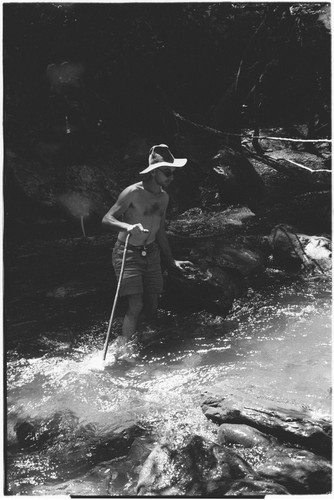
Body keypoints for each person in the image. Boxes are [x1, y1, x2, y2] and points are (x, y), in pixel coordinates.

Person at [102, 144, 192, 359]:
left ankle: (146, 337)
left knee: (153, 300)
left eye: (173, 173)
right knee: (136, 303)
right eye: (167, 172)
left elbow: (160, 231)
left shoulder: (163, 197)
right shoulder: (132, 193)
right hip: (128, 252)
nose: (172, 177)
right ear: (153, 172)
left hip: (151, 252)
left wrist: (171, 262)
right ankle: (124, 351)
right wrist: (127, 227)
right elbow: (107, 219)